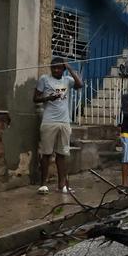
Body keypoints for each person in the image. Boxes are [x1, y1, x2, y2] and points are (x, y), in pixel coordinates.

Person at [34, 56, 83, 195]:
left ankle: (62, 185)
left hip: (64, 122)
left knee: (62, 154)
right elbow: (35, 98)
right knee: (46, 153)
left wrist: (69, 68)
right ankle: (43, 184)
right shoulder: (44, 79)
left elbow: (80, 85)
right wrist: (49, 98)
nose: (56, 70)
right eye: (53, 67)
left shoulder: (67, 80)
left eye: (59, 68)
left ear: (63, 69)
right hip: (49, 121)